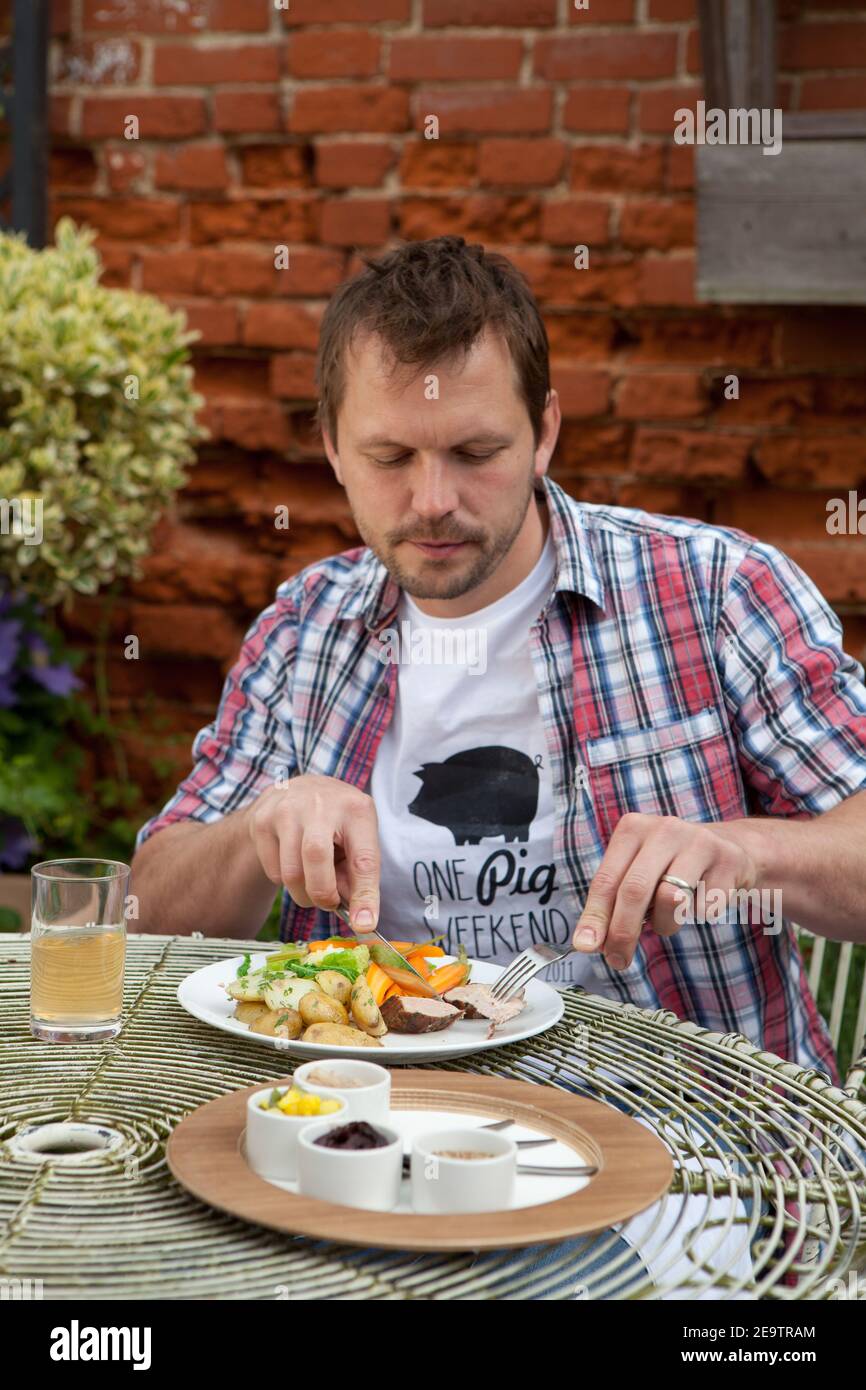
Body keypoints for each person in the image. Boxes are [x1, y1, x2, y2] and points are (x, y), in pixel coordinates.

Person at [131, 234, 866, 1085]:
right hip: (374, 1139)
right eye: (390, 458)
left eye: (476, 455)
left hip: (691, 1157)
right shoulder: (305, 630)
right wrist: (255, 834)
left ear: (543, 431)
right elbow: (148, 914)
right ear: (332, 446)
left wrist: (748, 856)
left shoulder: (713, 591)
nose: (434, 501)